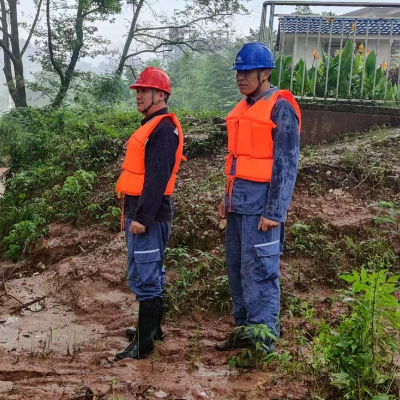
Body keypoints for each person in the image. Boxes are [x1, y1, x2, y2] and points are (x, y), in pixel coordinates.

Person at [216, 42, 301, 352]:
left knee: (261, 273)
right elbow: (238, 161)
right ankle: (245, 332)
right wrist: (226, 198)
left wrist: (275, 212)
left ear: (265, 73)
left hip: (262, 210)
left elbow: (286, 164)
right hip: (239, 205)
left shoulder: (280, 107)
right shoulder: (245, 108)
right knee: (238, 269)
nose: (240, 77)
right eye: (238, 72)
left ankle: (263, 342)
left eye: (247, 72)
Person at [114, 67, 184, 360]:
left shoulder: (163, 129)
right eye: (138, 91)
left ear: (161, 95)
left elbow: (157, 178)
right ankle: (153, 330)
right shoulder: (153, 125)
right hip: (142, 211)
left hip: (149, 216)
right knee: (150, 271)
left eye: (144, 90)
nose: (139, 95)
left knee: (146, 275)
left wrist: (142, 218)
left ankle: (144, 344)